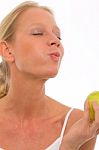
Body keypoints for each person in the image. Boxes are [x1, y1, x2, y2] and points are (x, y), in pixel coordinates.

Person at [0, 1, 98, 150]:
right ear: (7, 51)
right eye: (38, 33)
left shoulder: (77, 125)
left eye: (58, 36)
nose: (55, 41)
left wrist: (70, 144)